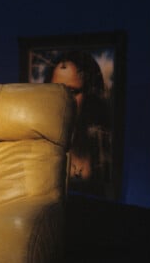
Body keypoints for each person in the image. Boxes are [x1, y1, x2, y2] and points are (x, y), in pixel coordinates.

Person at [44, 50, 112, 195]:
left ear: (89, 94)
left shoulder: (104, 142)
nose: (63, 99)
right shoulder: (37, 140)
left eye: (73, 91)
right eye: (56, 90)